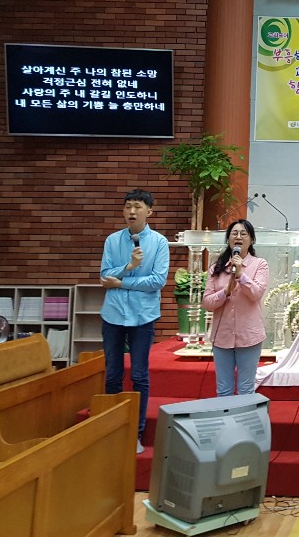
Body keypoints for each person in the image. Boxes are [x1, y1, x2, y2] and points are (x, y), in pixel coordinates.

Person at [99, 188, 170, 455]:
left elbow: (157, 281)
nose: (132, 211)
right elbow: (105, 276)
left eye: (138, 207)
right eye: (128, 206)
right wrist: (128, 267)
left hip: (143, 315)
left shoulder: (159, 242)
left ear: (149, 211)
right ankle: (111, 430)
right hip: (113, 314)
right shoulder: (112, 240)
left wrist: (122, 283)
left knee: (139, 374)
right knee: (113, 374)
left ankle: (136, 432)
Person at [202, 219, 269, 397]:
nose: (238, 237)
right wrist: (225, 292)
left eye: (243, 234)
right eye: (234, 233)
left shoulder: (260, 264)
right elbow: (207, 303)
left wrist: (241, 275)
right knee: (223, 390)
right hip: (222, 336)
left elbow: (256, 294)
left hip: (249, 336)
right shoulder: (216, 268)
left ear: (251, 240)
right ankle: (226, 417)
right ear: (228, 239)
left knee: (246, 389)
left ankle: (245, 417)